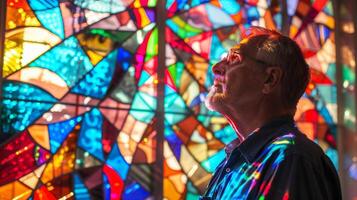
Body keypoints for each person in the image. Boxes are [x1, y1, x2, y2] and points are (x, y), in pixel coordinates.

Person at [201, 26, 342, 200]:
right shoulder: (234, 161)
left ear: (270, 79)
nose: (216, 68)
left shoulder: (291, 158)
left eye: (234, 58)